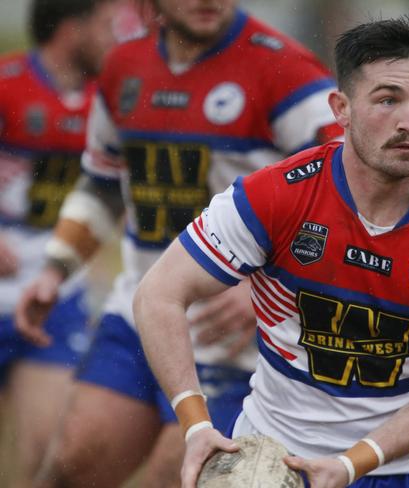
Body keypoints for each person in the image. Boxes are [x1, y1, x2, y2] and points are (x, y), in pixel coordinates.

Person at [133, 15, 409, 488]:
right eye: (387, 100)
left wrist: (353, 462)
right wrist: (196, 424)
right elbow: (158, 295)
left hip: (394, 472)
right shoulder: (274, 197)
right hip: (268, 460)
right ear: (342, 108)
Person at [15, 0, 342, 487]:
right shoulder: (124, 66)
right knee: (71, 464)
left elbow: (345, 192)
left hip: (233, 344)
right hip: (140, 314)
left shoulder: (286, 71)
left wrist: (269, 284)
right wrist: (56, 267)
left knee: (177, 478)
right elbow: (103, 182)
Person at [0, 0, 118, 486]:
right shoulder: (8, 84)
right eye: (107, 26)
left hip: (55, 293)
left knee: (49, 455)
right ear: (74, 28)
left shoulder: (110, 100)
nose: (116, 39)